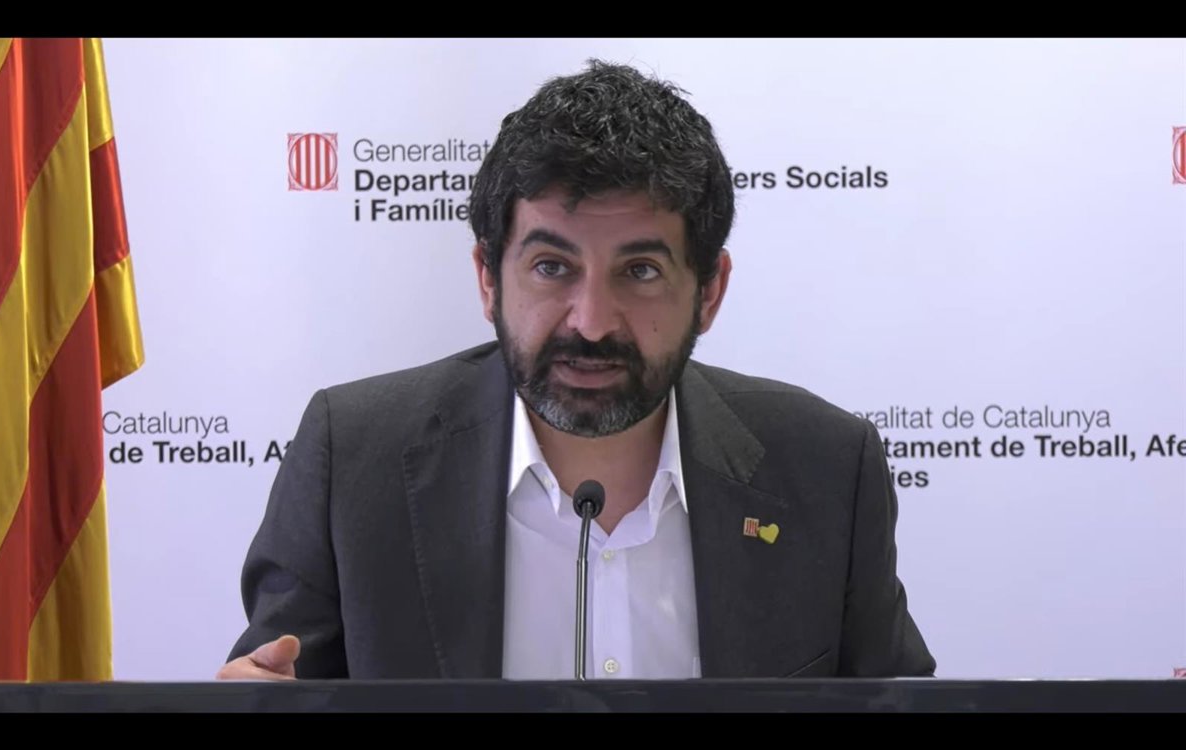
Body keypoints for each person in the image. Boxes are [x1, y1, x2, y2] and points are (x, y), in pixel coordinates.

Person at [218, 59, 935, 681]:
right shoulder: (354, 459)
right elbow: (278, 680)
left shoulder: (825, 468)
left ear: (709, 291)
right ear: (489, 279)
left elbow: (893, 697)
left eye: (641, 270)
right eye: (552, 267)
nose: (591, 322)